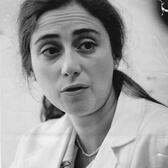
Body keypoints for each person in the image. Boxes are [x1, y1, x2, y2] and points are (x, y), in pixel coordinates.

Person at [11, 0, 168, 167]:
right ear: (30, 69)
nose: (70, 67)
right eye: (51, 50)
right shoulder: (30, 146)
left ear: (115, 54)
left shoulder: (162, 138)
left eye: (87, 45)